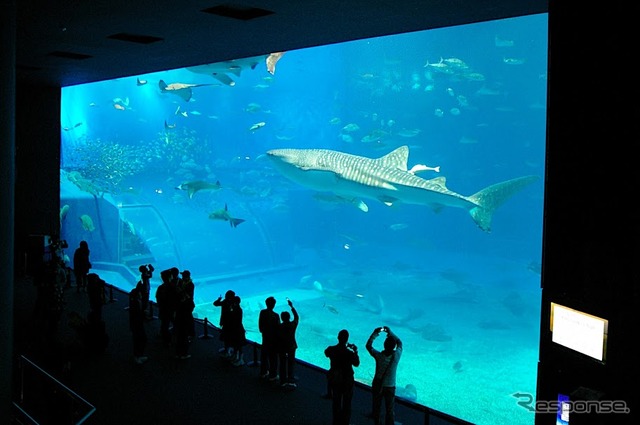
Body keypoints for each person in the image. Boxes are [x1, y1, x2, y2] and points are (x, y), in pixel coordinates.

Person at [365, 326, 403, 425]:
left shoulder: (379, 356)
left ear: (384, 345)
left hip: (378, 384)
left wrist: (375, 333)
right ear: (393, 347)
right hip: (390, 387)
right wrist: (391, 332)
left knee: (377, 408)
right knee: (389, 410)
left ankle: (377, 423)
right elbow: (400, 343)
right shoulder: (396, 356)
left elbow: (368, 346)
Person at [324, 329, 360, 425]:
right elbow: (357, 363)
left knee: (336, 402)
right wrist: (355, 351)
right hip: (347, 380)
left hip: (336, 380)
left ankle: (335, 422)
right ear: (347, 340)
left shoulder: (331, 349)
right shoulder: (349, 353)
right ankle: (345, 423)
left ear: (338, 337)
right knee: (347, 403)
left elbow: (326, 353)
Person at [278, 298, 299, 387]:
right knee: (291, 363)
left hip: (282, 346)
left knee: (282, 363)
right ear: (289, 317)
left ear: (281, 318)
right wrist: (291, 306)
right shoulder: (293, 324)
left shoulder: (280, 326)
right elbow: (297, 317)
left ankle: (282, 380)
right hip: (291, 346)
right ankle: (290, 379)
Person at [258, 296, 281, 381]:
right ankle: (273, 375)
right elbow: (278, 329)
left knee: (264, 355)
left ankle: (263, 372)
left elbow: (260, 327)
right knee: (273, 357)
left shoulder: (262, 312)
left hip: (265, 338)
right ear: (274, 305)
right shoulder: (276, 316)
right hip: (273, 340)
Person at [224, 295, 247, 366]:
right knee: (235, 344)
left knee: (239, 345)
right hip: (235, 330)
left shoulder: (238, 309)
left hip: (238, 330)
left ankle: (241, 359)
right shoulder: (234, 308)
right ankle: (236, 357)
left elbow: (237, 321)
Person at [212, 289, 236, 357]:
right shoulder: (226, 302)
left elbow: (216, 304)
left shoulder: (230, 303)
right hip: (226, 322)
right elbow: (215, 304)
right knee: (226, 336)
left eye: (226, 295)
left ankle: (229, 350)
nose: (225, 296)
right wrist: (218, 299)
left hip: (229, 323)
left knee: (228, 336)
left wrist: (219, 300)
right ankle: (227, 348)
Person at [129, 286, 148, 364]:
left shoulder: (135, 301)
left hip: (138, 324)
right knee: (138, 340)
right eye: (140, 293)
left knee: (141, 339)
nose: (141, 294)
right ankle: (137, 356)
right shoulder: (135, 303)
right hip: (137, 324)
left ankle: (139, 355)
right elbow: (135, 315)